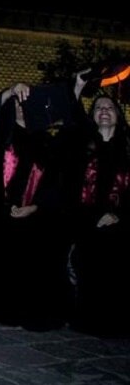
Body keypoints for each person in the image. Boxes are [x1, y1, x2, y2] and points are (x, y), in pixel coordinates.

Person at [0, 81, 70, 331]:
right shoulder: (0, 135)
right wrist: (11, 90)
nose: (21, 107)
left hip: (34, 213)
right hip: (1, 213)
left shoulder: (44, 141)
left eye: (25, 103)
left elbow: (53, 183)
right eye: (16, 104)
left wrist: (35, 207)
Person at [64, 93, 130, 337]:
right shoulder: (82, 149)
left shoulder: (127, 148)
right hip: (86, 220)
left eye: (109, 107)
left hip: (119, 221)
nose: (104, 111)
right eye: (98, 108)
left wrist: (118, 215)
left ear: (118, 115)